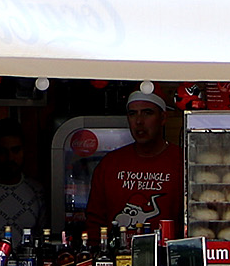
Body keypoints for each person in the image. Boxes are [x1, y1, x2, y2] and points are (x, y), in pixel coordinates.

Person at [79, 90, 185, 234]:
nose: (139, 121)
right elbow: (94, 222)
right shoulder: (110, 164)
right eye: (132, 114)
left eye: (147, 113)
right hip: (117, 254)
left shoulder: (182, 161)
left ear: (163, 117)